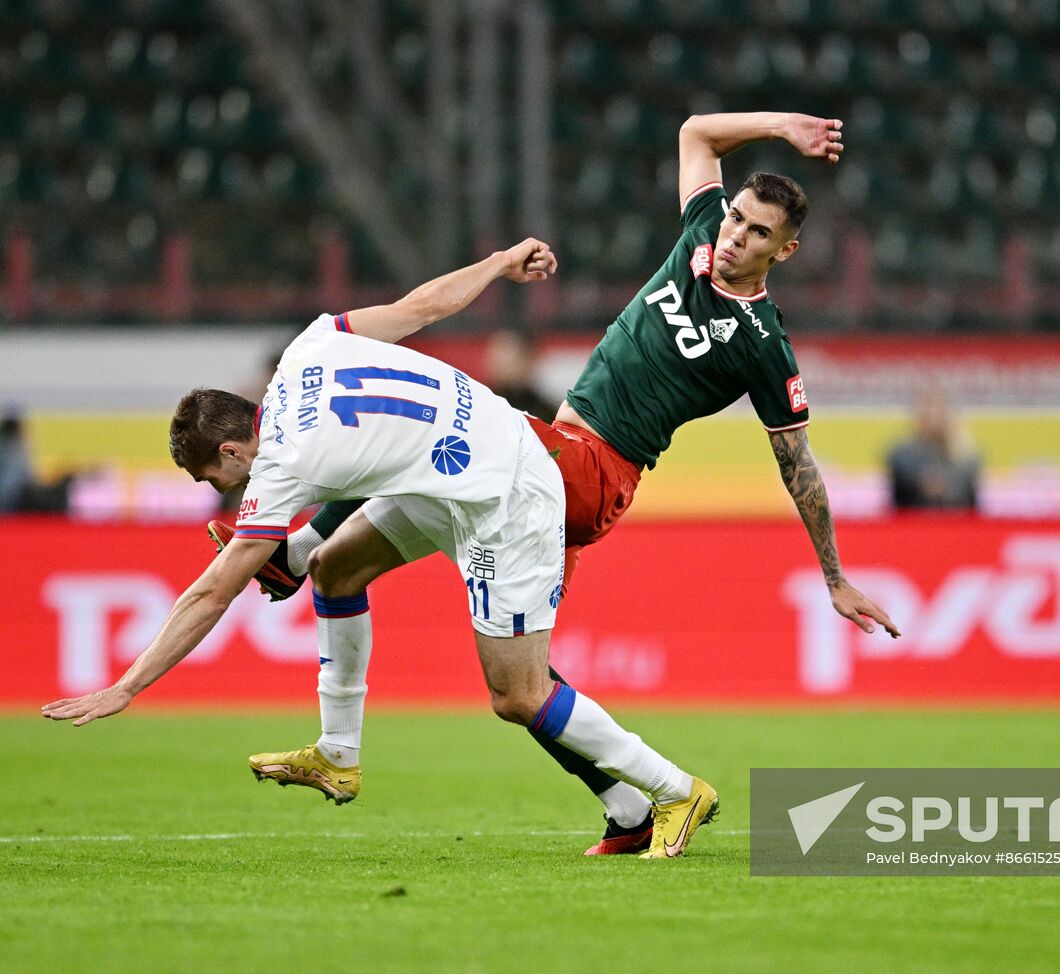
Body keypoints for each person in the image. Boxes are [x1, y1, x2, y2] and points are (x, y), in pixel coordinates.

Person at [212, 112, 900, 855]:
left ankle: (287, 551)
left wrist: (834, 577)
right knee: (439, 636)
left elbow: (797, 464)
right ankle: (618, 808)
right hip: (539, 469)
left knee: (442, 424)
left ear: (786, 250)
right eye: (736, 218)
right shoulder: (701, 232)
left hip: (590, 474)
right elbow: (697, 132)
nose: (735, 236)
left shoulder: (765, 346)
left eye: (758, 233)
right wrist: (782, 128)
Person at [41, 238, 719, 860]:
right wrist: (498, 263)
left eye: (210, 477)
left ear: (229, 449)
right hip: (468, 456)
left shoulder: (277, 468)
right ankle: (338, 753)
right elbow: (420, 306)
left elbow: (212, 592)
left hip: (508, 496)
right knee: (335, 566)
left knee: (518, 694)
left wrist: (126, 686)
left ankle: (677, 789)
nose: (219, 488)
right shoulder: (307, 349)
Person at [886, 389, 980, 510]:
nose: (932, 416)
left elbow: (971, 502)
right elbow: (898, 499)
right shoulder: (901, 454)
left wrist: (948, 488)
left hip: (955, 520)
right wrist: (920, 483)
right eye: (927, 411)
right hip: (914, 521)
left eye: (937, 411)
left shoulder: (967, 456)